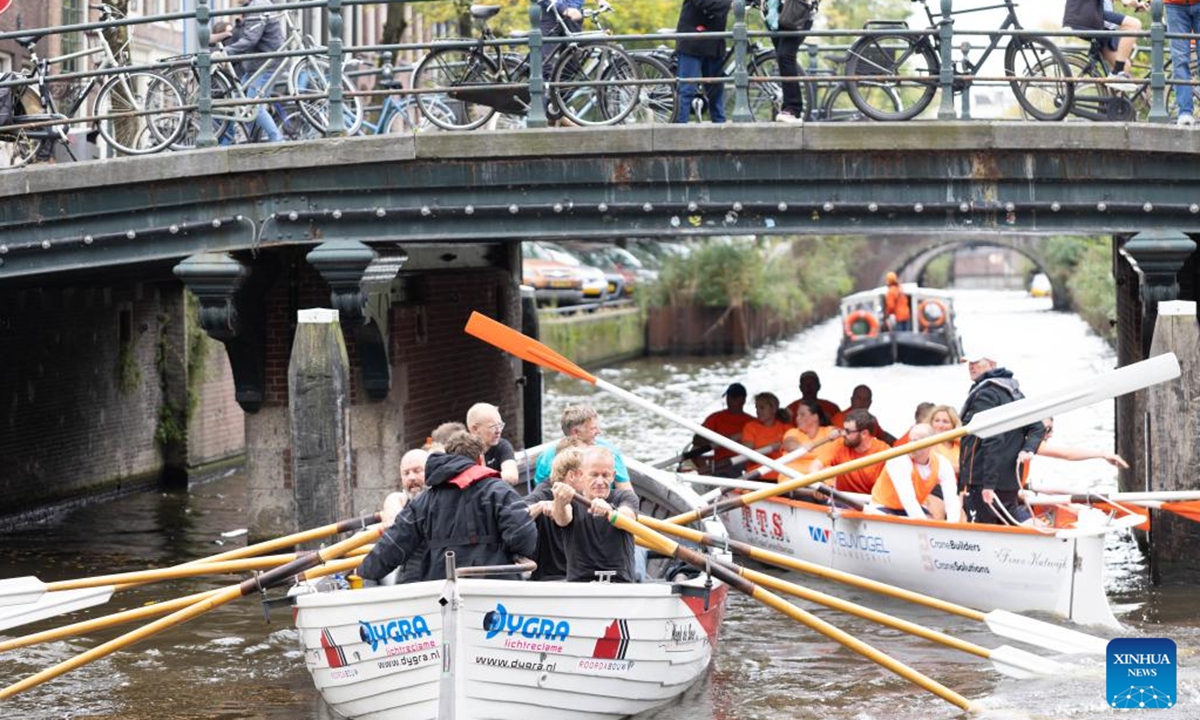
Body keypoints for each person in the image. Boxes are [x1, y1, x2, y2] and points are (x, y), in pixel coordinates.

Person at [357, 430, 537, 583]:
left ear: (447, 458)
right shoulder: (500, 491)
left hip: (443, 593)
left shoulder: (424, 501)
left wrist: (363, 572)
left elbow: (394, 545)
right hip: (495, 589)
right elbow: (525, 540)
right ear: (480, 460)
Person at [958, 350, 1046, 525]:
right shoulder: (1014, 391)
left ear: (992, 365)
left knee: (984, 527)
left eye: (976, 362)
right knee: (1004, 524)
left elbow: (993, 437)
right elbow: (1038, 427)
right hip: (1009, 481)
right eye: (969, 363)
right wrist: (1027, 449)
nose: (971, 366)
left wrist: (988, 485)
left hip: (984, 480)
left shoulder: (986, 394)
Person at [551, 445, 640, 582]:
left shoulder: (626, 497)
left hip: (620, 583)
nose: (600, 482)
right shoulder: (572, 501)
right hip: (580, 584)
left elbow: (628, 517)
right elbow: (562, 519)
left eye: (605, 475)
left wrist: (610, 511)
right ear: (581, 475)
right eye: (594, 475)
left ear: (613, 476)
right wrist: (559, 501)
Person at [213, 0, 284, 144]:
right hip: (255, 64)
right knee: (238, 100)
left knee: (252, 104)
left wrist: (226, 52)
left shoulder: (258, 5)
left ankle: (277, 140)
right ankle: (247, 139)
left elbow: (251, 38)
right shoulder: (250, 8)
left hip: (266, 63)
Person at [867, 423, 961, 521]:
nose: (910, 445)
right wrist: (924, 526)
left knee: (933, 519)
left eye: (915, 441)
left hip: (910, 508)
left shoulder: (942, 463)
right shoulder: (899, 460)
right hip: (883, 507)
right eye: (910, 440)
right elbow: (908, 499)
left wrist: (953, 524)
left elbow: (952, 500)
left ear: (931, 444)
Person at [524, 440, 587, 581]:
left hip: (580, 575)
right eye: (587, 474)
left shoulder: (585, 495)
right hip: (550, 579)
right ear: (572, 476)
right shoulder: (544, 492)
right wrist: (539, 506)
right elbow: (516, 515)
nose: (591, 480)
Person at [534, 404, 632, 490]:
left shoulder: (609, 452)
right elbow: (541, 492)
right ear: (575, 432)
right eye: (593, 428)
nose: (598, 432)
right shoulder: (547, 457)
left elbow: (625, 490)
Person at [1021, 416, 1130, 488]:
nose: (1051, 434)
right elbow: (1067, 454)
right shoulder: (1029, 442)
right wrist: (1103, 454)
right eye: (1047, 430)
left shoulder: (1024, 443)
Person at [1063, 0, 1148, 92]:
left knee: (1125, 66)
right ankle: (1116, 74)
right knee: (1133, 24)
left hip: (1096, 18)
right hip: (1090, 15)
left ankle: (1114, 104)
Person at [674, 0, 732, 123]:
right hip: (693, 41)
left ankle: (720, 127)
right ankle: (680, 128)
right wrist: (731, 4)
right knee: (687, 89)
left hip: (714, 41)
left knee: (716, 89)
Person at [762, 0, 812, 123]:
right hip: (773, 14)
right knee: (782, 58)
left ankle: (793, 109)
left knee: (785, 56)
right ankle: (789, 107)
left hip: (796, 11)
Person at [690, 382, 755, 476]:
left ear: (743, 400)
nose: (729, 400)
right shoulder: (715, 418)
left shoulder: (752, 422)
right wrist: (720, 439)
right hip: (721, 465)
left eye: (734, 397)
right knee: (694, 450)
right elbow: (697, 440)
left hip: (745, 463)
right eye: (728, 396)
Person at [819, 409, 890, 495]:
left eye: (848, 431)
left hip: (870, 504)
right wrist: (822, 485)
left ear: (864, 433)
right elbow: (816, 466)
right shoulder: (840, 443)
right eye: (843, 429)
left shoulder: (884, 452)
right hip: (841, 500)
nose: (844, 434)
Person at [537, 0, 584, 124]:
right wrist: (562, 8)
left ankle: (554, 108)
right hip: (551, 11)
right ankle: (539, 117)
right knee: (545, 66)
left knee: (572, 66)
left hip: (574, 13)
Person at [1164, 0, 1200, 126]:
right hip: (1174, 5)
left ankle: (1185, 112)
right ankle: (1185, 112)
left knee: (1180, 61)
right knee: (1179, 60)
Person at [781, 398, 837, 476]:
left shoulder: (829, 431)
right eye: (797, 415)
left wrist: (837, 434)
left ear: (815, 417)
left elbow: (844, 434)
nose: (797, 418)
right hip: (793, 480)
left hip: (821, 480)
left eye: (802, 414)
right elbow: (789, 444)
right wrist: (800, 447)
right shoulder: (793, 432)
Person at [740, 392, 791, 478]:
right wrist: (770, 448)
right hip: (757, 476)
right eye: (757, 408)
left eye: (762, 408)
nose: (758, 411)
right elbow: (747, 454)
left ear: (774, 409)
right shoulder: (750, 427)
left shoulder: (787, 429)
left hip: (782, 477)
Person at [467, 402, 519, 485]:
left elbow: (512, 476)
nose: (498, 431)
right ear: (475, 429)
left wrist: (483, 479)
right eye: (492, 427)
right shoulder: (463, 450)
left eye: (500, 425)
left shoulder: (502, 446)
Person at [380, 447, 429, 528]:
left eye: (417, 471)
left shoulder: (444, 498)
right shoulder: (398, 501)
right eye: (406, 473)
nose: (411, 477)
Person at [830, 384, 895, 444]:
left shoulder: (872, 421)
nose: (862, 402)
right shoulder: (838, 419)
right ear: (852, 400)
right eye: (859, 398)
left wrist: (900, 444)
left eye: (866, 399)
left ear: (870, 403)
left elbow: (883, 436)